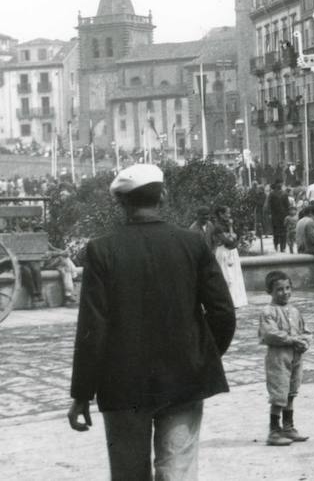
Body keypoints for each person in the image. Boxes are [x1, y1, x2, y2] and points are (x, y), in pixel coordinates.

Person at [68, 163, 236, 479]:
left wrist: (81, 394)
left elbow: (93, 329)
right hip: (185, 378)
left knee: (129, 474)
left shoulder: (102, 250)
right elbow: (223, 313)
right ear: (164, 196)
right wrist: (201, 357)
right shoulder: (192, 243)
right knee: (178, 471)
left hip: (122, 384)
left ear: (121, 203)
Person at [256, 270, 311, 447]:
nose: (285, 292)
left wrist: (305, 342)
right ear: (269, 291)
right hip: (278, 358)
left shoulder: (295, 311)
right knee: (279, 393)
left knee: (291, 392)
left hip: (296, 357)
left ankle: (288, 427)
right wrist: (292, 340)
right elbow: (270, 334)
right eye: (279, 289)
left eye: (288, 288)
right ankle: (274, 430)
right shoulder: (268, 312)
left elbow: (306, 331)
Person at [206, 206, 248, 309]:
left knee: (234, 277)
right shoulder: (218, 227)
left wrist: (231, 229)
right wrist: (234, 239)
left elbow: (235, 239)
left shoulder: (229, 225)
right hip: (224, 253)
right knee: (226, 277)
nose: (229, 215)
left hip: (232, 253)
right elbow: (229, 243)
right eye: (227, 213)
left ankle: (235, 301)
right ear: (221, 214)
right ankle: (227, 301)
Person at [268, 181, 292, 253]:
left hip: (279, 216)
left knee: (279, 232)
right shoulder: (277, 194)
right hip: (279, 215)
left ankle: (280, 247)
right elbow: (269, 204)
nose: (280, 185)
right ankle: (279, 247)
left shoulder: (274, 194)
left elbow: (287, 205)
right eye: (279, 184)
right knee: (279, 232)